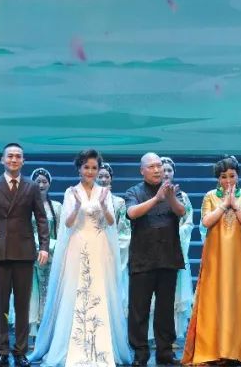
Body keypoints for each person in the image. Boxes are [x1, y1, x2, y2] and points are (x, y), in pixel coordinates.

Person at [30, 148, 130, 366]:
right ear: (79, 168)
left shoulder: (104, 192)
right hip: (77, 245)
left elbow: (111, 222)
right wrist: (76, 207)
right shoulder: (71, 192)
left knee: (99, 291)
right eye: (87, 167)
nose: (90, 171)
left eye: (94, 168)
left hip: (99, 246)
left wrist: (103, 205)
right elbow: (67, 223)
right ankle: (72, 348)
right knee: (75, 292)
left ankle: (101, 348)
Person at [183, 156, 241, 365]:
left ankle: (238, 350)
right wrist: (224, 205)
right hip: (215, 258)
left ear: (238, 176)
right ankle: (214, 350)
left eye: (232, 176)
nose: (228, 180)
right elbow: (206, 222)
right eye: (223, 177)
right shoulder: (210, 196)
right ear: (218, 178)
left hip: (239, 259)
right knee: (214, 301)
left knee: (238, 300)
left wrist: (236, 206)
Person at [0, 143, 51, 367]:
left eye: (18, 156)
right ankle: (2, 351)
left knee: (22, 305)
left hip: (24, 252)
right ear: (3, 160)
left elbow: (41, 219)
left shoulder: (31, 187)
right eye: (10, 156)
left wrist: (44, 246)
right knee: (1, 306)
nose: (14, 160)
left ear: (23, 161)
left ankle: (20, 351)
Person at [125, 152, 187, 366]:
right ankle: (140, 353)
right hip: (142, 259)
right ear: (142, 170)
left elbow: (181, 211)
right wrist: (157, 199)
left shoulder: (172, 191)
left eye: (159, 165)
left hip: (168, 257)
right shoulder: (134, 191)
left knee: (165, 310)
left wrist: (169, 197)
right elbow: (132, 213)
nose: (157, 170)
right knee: (139, 310)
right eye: (151, 166)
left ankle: (165, 352)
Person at [151, 157, 194, 343]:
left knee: (175, 292)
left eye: (169, 170)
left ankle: (171, 336)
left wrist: (174, 234)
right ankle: (152, 335)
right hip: (154, 250)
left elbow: (188, 222)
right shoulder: (151, 195)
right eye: (163, 170)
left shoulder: (182, 197)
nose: (166, 173)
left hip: (175, 249)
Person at [29, 168, 61, 330]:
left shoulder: (57, 207)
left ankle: (49, 328)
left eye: (44, 181)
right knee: (32, 291)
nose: (41, 185)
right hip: (30, 254)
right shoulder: (25, 206)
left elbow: (62, 231)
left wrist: (50, 247)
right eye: (38, 181)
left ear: (49, 184)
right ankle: (33, 329)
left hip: (51, 254)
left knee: (50, 290)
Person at [98, 163, 132, 312]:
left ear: (111, 179)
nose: (103, 180)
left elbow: (124, 232)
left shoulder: (119, 202)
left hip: (113, 252)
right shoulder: (86, 202)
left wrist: (110, 246)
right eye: (100, 176)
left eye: (106, 176)